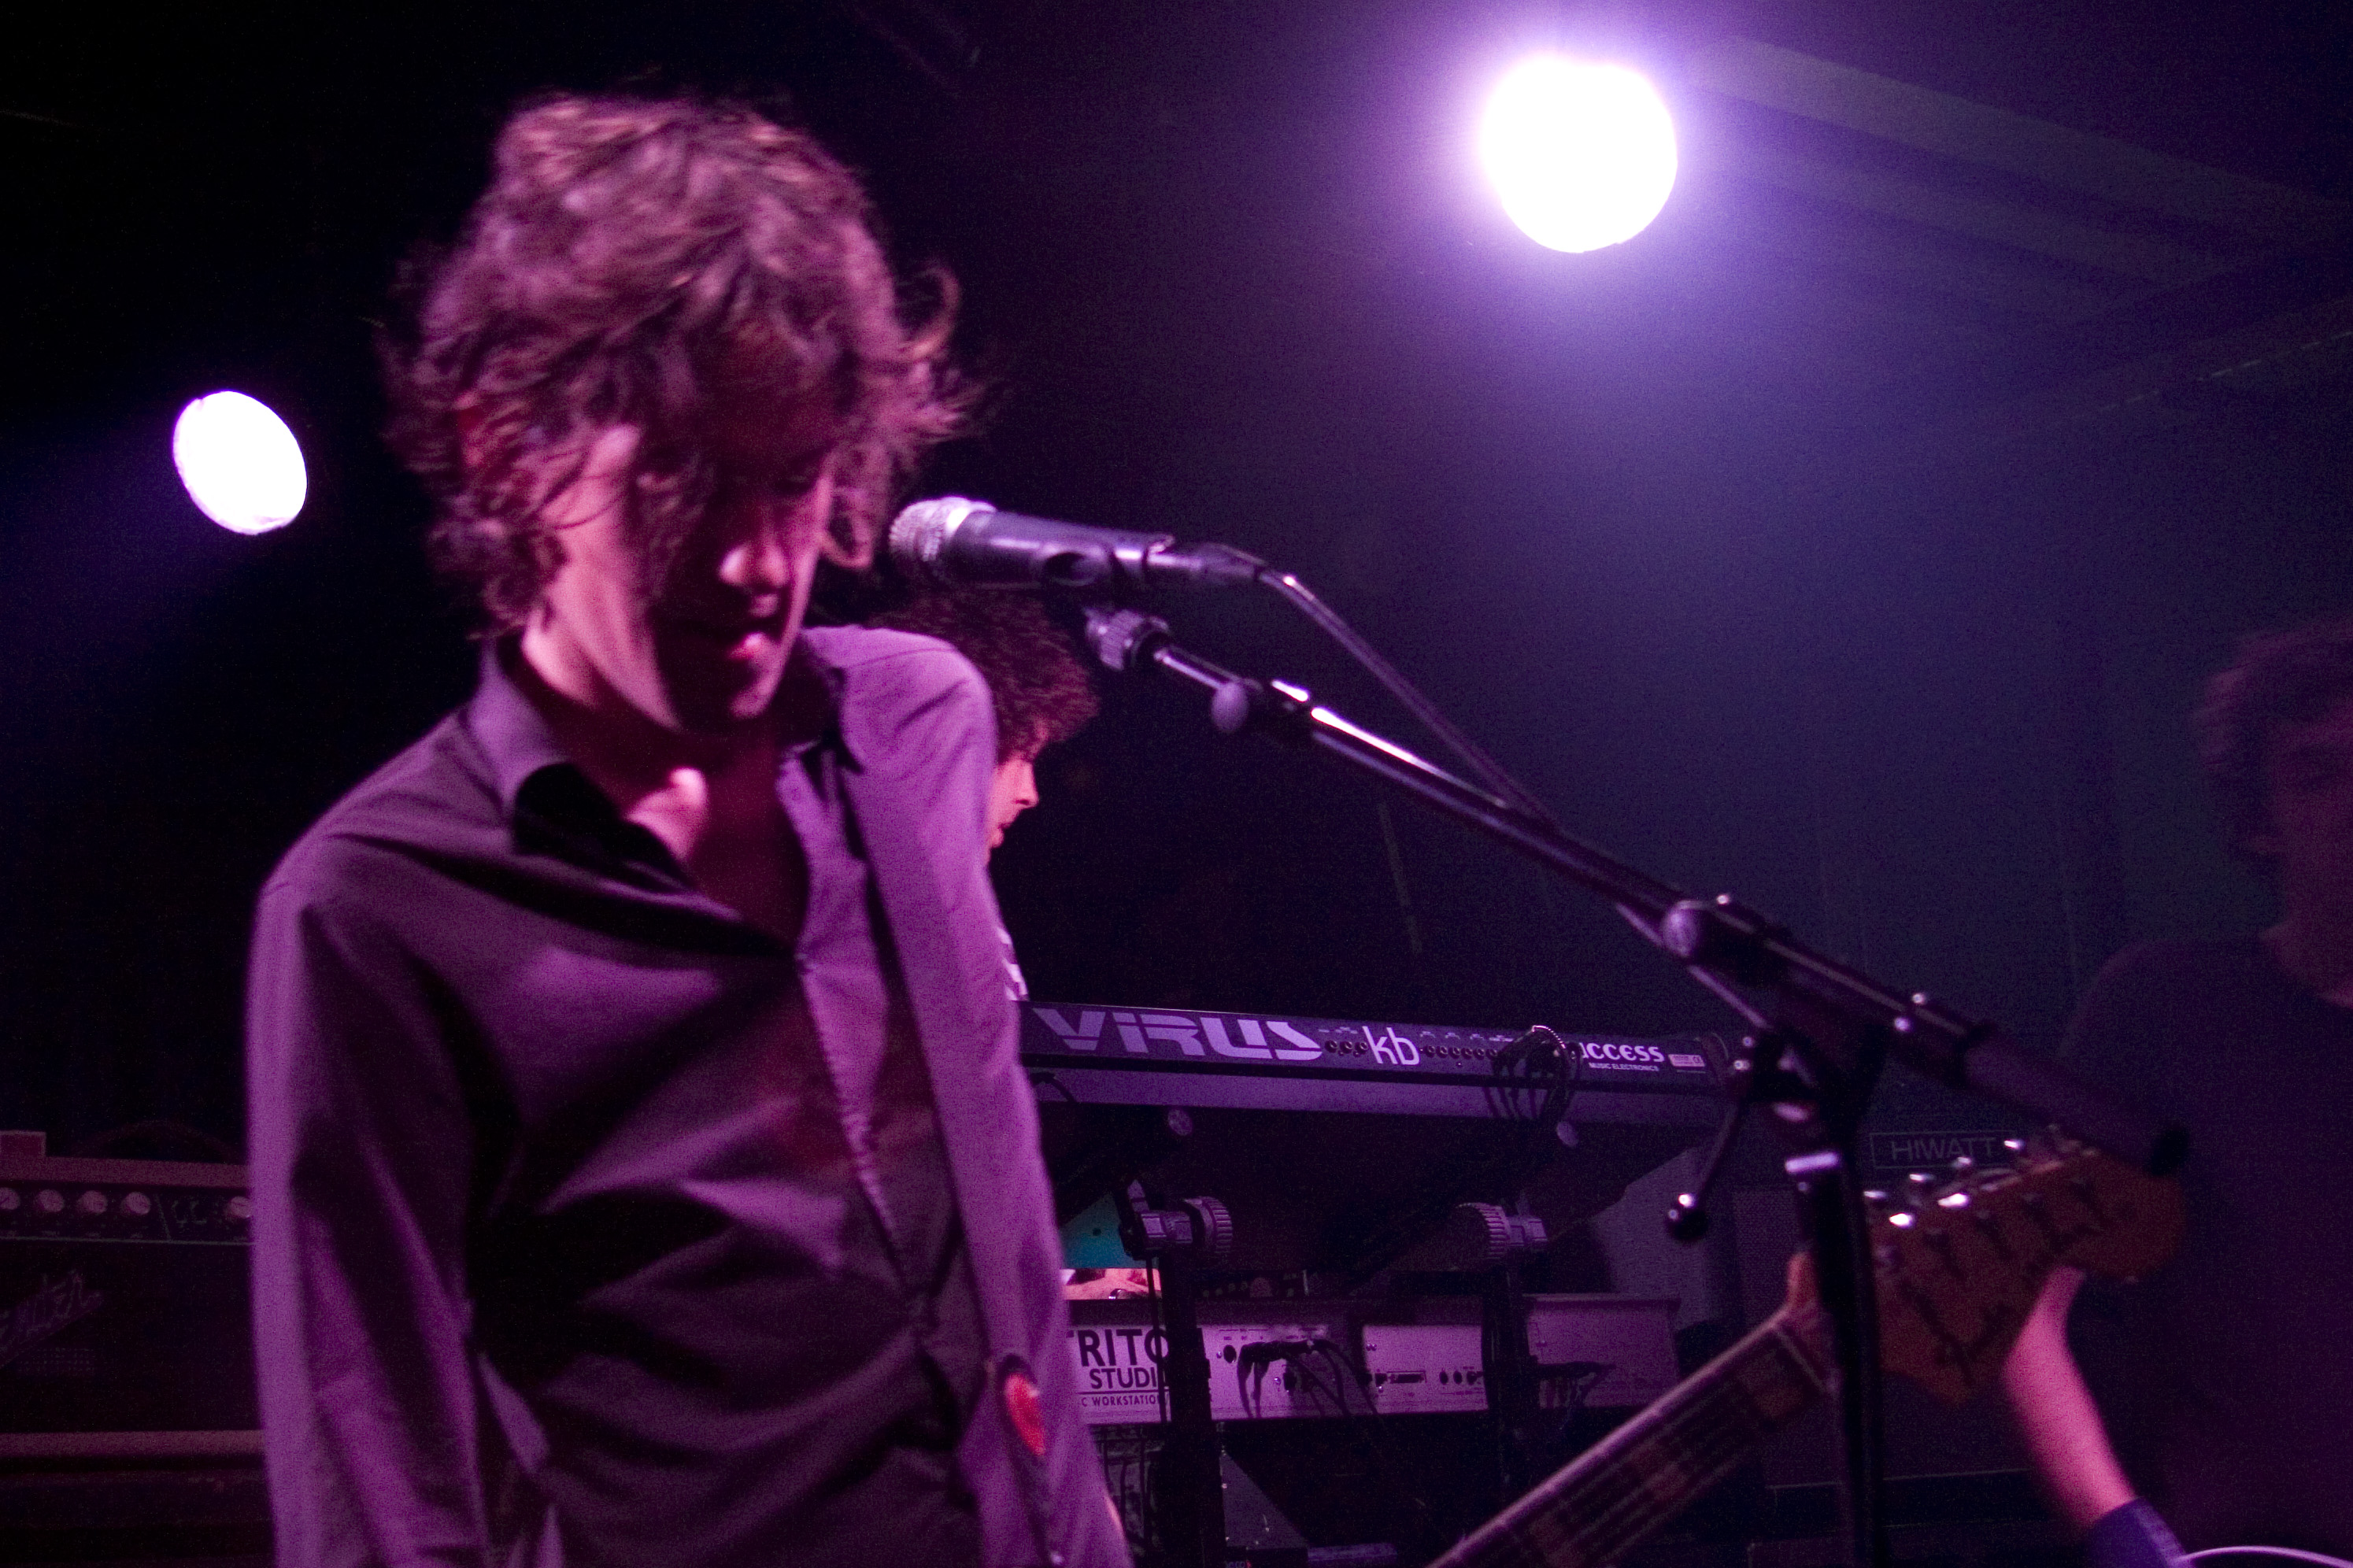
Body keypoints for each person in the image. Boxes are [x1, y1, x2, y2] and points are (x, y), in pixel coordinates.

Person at [244, 94, 1130, 1568]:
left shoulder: (919, 724)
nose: (752, 560)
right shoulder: (380, 906)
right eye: (681, 481)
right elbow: (374, 1484)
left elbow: (1010, 1280)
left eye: (790, 480)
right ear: (504, 451)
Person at [2001, 618, 2353, 1563]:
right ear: (2257, 821)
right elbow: (2016, 1299)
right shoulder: (2163, 1008)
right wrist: (2116, 1533)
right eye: (2317, 773)